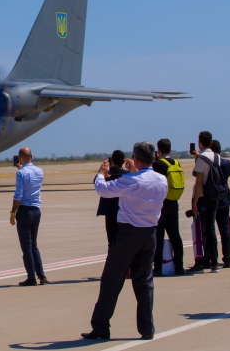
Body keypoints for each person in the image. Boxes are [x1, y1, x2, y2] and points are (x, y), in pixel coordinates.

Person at [82, 142, 167, 341]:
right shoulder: (161, 179)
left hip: (129, 234)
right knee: (144, 282)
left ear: (136, 159)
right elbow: (144, 180)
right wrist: (135, 171)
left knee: (111, 281)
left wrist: (100, 174)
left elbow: (103, 190)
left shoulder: (131, 180)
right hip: (150, 233)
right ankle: (147, 328)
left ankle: (101, 327)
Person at [9, 147, 47, 286]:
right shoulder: (39, 171)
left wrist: (13, 212)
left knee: (26, 247)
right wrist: (22, 168)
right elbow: (30, 177)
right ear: (32, 156)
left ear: (19, 158)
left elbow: (18, 195)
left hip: (25, 211)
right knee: (34, 245)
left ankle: (31, 277)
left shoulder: (21, 174)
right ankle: (41, 275)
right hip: (36, 210)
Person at [187, 131, 220, 273]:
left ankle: (203, 262)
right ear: (211, 142)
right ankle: (213, 262)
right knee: (211, 229)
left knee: (202, 230)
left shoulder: (201, 158)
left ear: (200, 142)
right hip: (214, 196)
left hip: (202, 197)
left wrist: (194, 202)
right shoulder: (217, 156)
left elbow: (199, 182)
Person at [152, 138, 185, 275]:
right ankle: (179, 266)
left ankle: (158, 267)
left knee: (158, 236)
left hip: (161, 203)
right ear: (170, 150)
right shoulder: (176, 163)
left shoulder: (158, 164)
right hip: (173, 202)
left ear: (158, 150)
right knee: (175, 235)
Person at [95, 150, 128, 248]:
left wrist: (103, 171)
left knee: (112, 241)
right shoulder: (126, 174)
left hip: (110, 212)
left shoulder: (106, 175)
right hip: (124, 212)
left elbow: (96, 181)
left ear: (111, 160)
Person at [211, 140, 230, 268]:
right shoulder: (227, 163)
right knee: (225, 230)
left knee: (210, 230)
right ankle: (228, 258)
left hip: (212, 199)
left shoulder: (210, 163)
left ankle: (212, 257)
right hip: (225, 198)